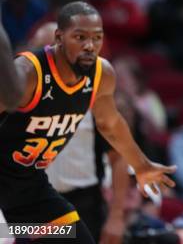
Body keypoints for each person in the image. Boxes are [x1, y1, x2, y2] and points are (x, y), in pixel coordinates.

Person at [0, 1, 176, 242]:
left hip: (30, 188)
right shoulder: (30, 72)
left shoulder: (102, 75)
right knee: (7, 236)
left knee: (75, 237)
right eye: (80, 37)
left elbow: (111, 124)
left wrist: (142, 164)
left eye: (97, 38)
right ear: (59, 37)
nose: (89, 46)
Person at [27, 21, 130, 244]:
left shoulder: (95, 98)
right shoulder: (15, 102)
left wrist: (116, 216)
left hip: (82, 203)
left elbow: (119, 157)